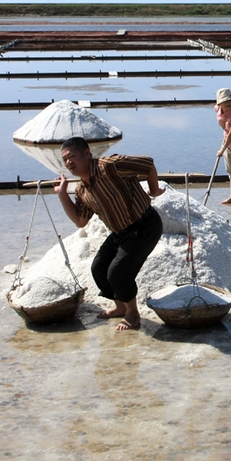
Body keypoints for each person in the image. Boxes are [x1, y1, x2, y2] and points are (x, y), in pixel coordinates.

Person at [54, 137, 165, 331]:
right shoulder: (82, 190)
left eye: (72, 156)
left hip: (144, 225)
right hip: (120, 232)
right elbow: (80, 221)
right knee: (99, 268)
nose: (68, 162)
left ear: (87, 154)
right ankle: (120, 306)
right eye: (65, 160)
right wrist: (62, 194)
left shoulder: (111, 166)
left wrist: (154, 190)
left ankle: (132, 313)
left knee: (118, 272)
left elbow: (147, 163)